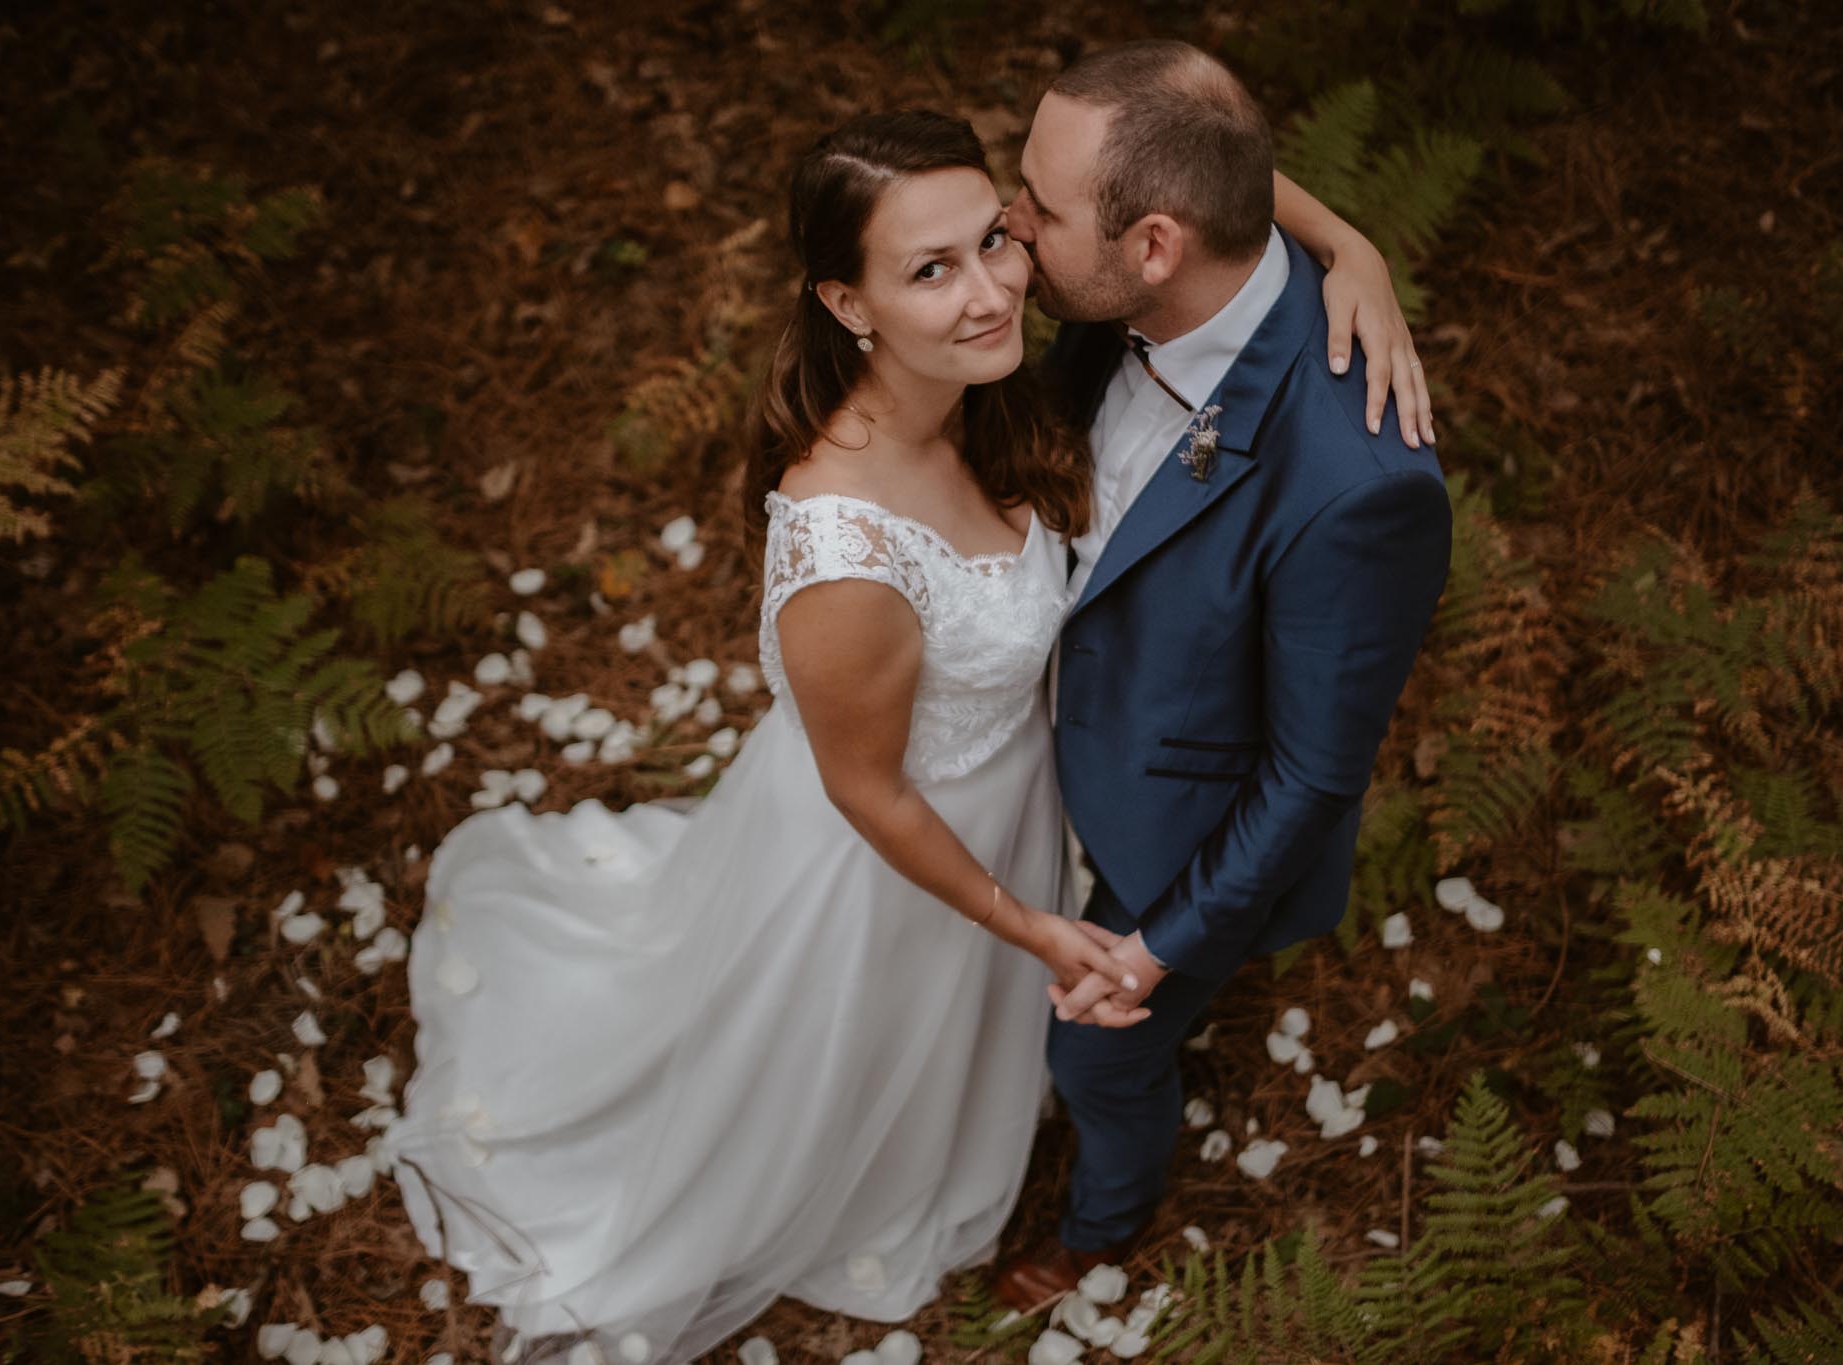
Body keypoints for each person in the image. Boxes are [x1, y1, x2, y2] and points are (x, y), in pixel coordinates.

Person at [383, 103, 1424, 1364]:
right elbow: (869, 796)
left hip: (1014, 793)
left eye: (996, 237)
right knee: (834, 1057)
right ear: (847, 301)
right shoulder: (842, 554)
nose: (993, 289)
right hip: (890, 858)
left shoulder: (985, 386)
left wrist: (1347, 247)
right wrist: (1029, 923)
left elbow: (1191, 177)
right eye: (929, 270)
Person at [987, 41, 1454, 1311]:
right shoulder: (1158, 271)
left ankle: (1101, 1224)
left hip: (1175, 830)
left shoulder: (1360, 490)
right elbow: (1237, 171)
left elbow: (1311, 771)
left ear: (1150, 247)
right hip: (1051, 728)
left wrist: (1155, 947)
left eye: (1035, 202)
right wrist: (1352, 236)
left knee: (1099, 1063)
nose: (1005, 219)